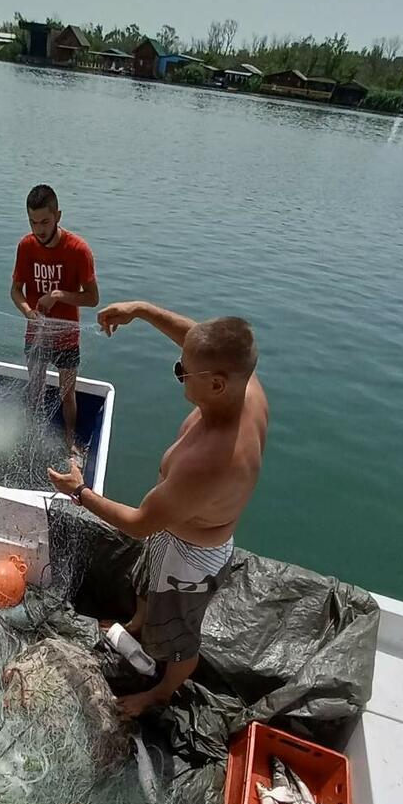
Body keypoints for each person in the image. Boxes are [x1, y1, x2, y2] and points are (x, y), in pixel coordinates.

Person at [48, 301, 268, 716]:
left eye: (182, 371)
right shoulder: (246, 385)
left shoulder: (212, 461)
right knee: (146, 584)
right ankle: (134, 626)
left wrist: (80, 492)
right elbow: (196, 340)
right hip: (175, 528)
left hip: (192, 560)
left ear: (218, 384)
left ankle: (161, 691)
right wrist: (141, 311)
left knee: (178, 636)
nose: (179, 372)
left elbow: (138, 524)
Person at [10, 184, 99, 456]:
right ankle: (31, 434)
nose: (39, 229)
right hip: (35, 334)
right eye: (33, 222)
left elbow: (92, 298)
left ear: (58, 216)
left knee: (67, 393)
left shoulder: (78, 249)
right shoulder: (26, 246)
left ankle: (69, 440)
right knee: (34, 388)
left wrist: (59, 295)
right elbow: (15, 290)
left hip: (67, 336)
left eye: (45, 222)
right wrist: (27, 312)